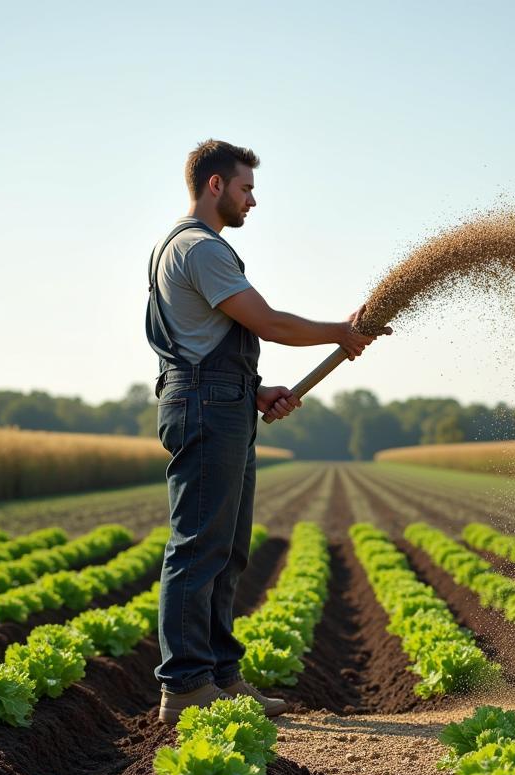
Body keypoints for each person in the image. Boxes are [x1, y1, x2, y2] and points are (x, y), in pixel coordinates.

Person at [146, 139, 391, 725]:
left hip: (221, 401)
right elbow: (270, 322)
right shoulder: (200, 249)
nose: (253, 201)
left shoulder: (188, 249)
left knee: (228, 550)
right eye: (246, 188)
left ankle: (220, 678)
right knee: (197, 547)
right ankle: (183, 686)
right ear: (215, 186)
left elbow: (197, 343)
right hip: (207, 407)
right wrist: (341, 331)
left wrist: (252, 391)